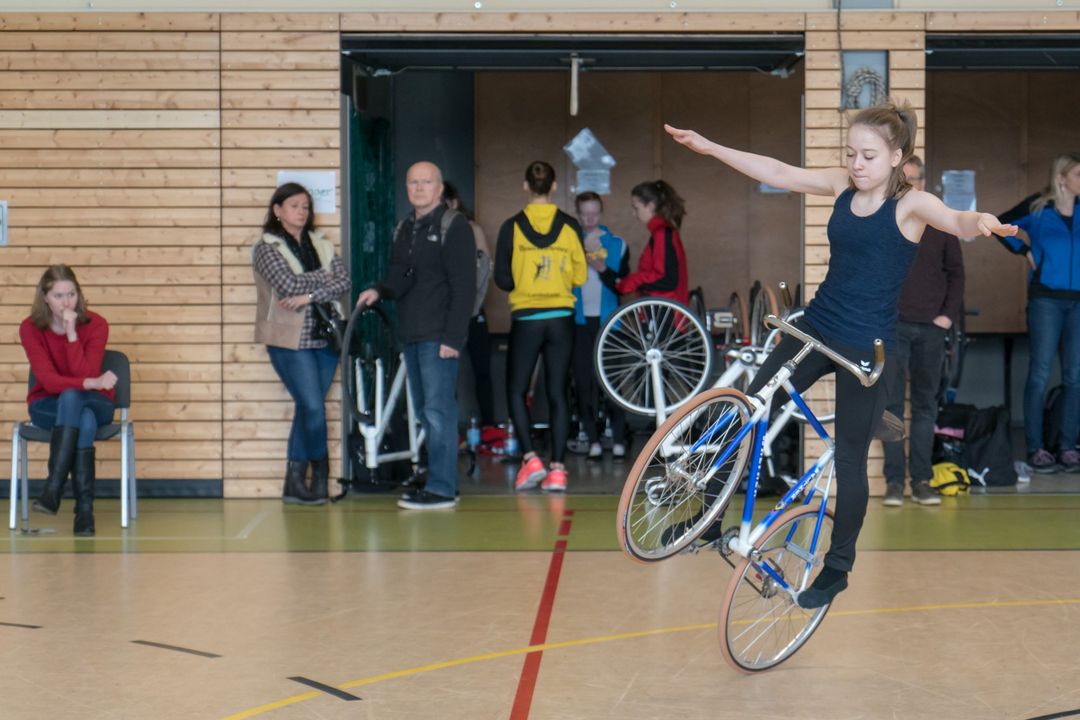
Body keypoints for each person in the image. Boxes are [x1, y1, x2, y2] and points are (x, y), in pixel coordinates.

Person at [666, 99, 1016, 609]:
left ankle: (837, 569)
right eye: (851, 152)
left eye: (869, 155)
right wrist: (708, 146)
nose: (856, 163)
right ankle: (708, 517)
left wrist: (980, 219)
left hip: (867, 353)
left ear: (897, 157)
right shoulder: (840, 186)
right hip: (816, 328)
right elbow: (778, 171)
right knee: (749, 408)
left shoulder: (911, 206)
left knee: (849, 462)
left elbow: (956, 219)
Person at [356, 162, 476, 510]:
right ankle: (435, 477)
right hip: (412, 334)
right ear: (407, 188)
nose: (419, 188)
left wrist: (453, 339)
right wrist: (379, 290)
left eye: (426, 182)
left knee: (439, 412)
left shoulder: (454, 226)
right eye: (413, 182)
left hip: (439, 336)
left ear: (440, 189)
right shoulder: (405, 228)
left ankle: (442, 488)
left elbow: (464, 287)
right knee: (425, 412)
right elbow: (400, 275)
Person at [252, 182, 349, 505]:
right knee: (312, 407)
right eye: (295, 205)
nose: (302, 212)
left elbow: (344, 281)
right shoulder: (266, 247)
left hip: (324, 337)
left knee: (308, 409)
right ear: (278, 210)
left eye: (306, 206)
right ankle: (320, 474)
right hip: (288, 340)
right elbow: (286, 284)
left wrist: (307, 295)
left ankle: (294, 483)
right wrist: (323, 279)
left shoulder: (320, 243)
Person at [494, 161, 587, 493]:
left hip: (527, 318)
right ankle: (558, 470)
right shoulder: (570, 226)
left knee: (517, 390)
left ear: (525, 186)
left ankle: (531, 458)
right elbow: (580, 276)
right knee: (558, 392)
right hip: (561, 317)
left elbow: (503, 279)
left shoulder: (511, 227)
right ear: (553, 186)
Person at [881, 156, 965, 507]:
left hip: (932, 327)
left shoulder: (942, 223)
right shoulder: (884, 220)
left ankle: (922, 481)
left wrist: (947, 316)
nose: (912, 185)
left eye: (917, 179)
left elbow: (957, 274)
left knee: (926, 406)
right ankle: (894, 484)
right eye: (906, 179)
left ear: (924, 183)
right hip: (893, 326)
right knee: (890, 408)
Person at [996, 152, 1080, 473]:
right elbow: (999, 225)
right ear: (1062, 178)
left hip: (1079, 303)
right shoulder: (1038, 208)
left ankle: (1069, 448)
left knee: (1075, 376)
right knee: (1041, 372)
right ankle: (1036, 448)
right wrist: (1026, 250)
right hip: (1046, 300)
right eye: (1077, 175)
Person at [20, 265, 116, 536]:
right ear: (45, 298)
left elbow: (82, 373)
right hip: (47, 405)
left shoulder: (96, 324)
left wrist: (72, 333)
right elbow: (50, 382)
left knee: (74, 397)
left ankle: (54, 488)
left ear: (78, 294)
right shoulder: (30, 329)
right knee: (79, 413)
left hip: (96, 402)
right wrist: (90, 383)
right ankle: (84, 513)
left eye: (71, 294)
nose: (66, 302)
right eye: (59, 296)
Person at [571, 191, 630, 459]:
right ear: (578, 214)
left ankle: (618, 438)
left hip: (611, 323)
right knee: (585, 383)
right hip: (580, 321)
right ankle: (593, 440)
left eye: (594, 212)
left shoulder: (617, 243)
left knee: (613, 383)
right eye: (584, 213)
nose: (589, 218)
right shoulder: (571, 242)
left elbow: (623, 284)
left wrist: (601, 267)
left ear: (601, 212)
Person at [442, 181, 496, 429]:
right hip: (445, 313)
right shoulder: (433, 231)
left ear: (454, 203)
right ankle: (446, 429)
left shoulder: (472, 228)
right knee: (445, 375)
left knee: (481, 370)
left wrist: (473, 306)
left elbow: (486, 270)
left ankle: (489, 426)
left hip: (473, 310)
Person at [614, 180, 690, 306]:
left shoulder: (662, 233)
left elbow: (666, 279)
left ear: (650, 206)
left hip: (664, 307)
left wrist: (633, 281)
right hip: (662, 303)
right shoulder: (662, 232)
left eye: (636, 208)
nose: (634, 213)